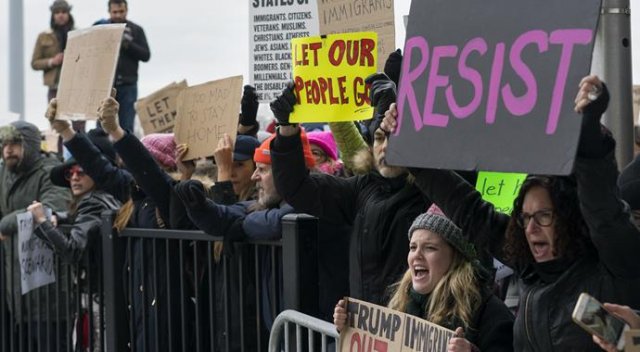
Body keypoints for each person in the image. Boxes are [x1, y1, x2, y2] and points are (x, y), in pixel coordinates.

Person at [380, 75, 640, 351]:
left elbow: (603, 209)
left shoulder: (614, 264)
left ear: (570, 218)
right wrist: (411, 153)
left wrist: (588, 134)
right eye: (525, 218)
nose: (531, 229)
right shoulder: (528, 268)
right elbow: (469, 210)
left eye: (543, 216)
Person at [269, 80, 431, 307]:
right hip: (368, 332)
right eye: (379, 138)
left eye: (395, 138)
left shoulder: (433, 191)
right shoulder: (360, 189)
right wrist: (287, 129)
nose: (385, 147)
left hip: (418, 333)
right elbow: (297, 188)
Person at [334, 205, 514, 351]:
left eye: (430, 248)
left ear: (456, 258)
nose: (416, 256)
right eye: (413, 247)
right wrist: (350, 328)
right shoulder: (400, 304)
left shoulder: (490, 314)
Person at [28, 154, 123, 352]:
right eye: (69, 173)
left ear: (96, 175)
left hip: (97, 299)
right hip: (103, 295)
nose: (74, 177)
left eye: (81, 171)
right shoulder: (102, 199)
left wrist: (42, 222)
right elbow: (79, 220)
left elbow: (72, 250)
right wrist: (59, 217)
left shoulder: (92, 203)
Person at [0, 121, 71, 350]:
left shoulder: (49, 172)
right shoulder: (5, 173)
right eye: (4, 144)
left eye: (14, 144)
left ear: (29, 145)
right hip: (16, 294)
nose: (8, 149)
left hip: (48, 296)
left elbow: (51, 208)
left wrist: (5, 223)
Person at [95, 0, 150, 132]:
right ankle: (102, 153)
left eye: (121, 11)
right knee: (101, 127)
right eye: (115, 12)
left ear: (126, 10)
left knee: (126, 127)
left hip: (128, 85)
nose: (118, 15)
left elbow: (146, 55)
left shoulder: (136, 30)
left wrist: (128, 43)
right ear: (109, 12)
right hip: (105, 85)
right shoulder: (100, 28)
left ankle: (125, 153)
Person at [31, 0, 75, 102]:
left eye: (64, 12)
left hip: (75, 85)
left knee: (79, 117)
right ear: (53, 15)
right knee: (55, 116)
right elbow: (34, 63)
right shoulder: (43, 36)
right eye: (57, 12)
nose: (61, 15)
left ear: (68, 14)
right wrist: (52, 61)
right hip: (55, 87)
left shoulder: (79, 34)